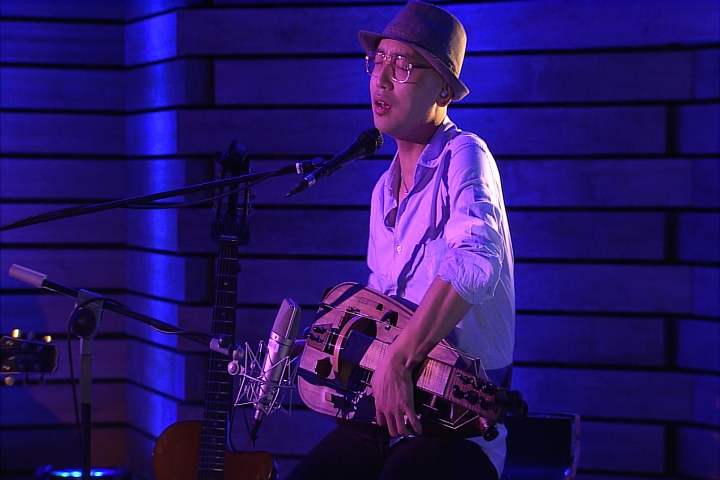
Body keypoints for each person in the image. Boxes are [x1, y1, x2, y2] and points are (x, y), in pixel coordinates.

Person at [287, 1, 515, 479]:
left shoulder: (465, 155)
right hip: (386, 413)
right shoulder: (382, 190)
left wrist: (399, 358)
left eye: (404, 66)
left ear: (444, 90)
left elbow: (476, 259)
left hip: (455, 423)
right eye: (378, 62)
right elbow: (381, 309)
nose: (382, 80)